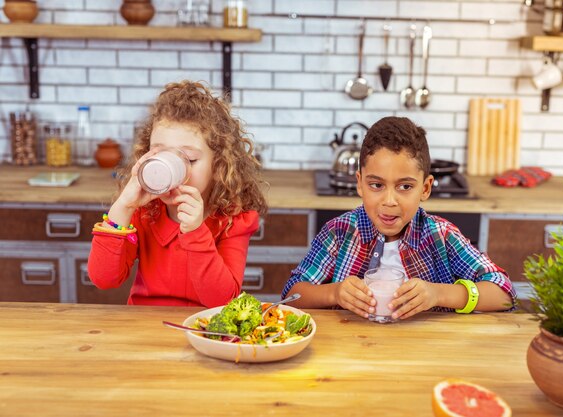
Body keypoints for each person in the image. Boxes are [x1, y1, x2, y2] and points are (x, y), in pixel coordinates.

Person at [282, 116, 515, 319]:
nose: (389, 200)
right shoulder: (338, 233)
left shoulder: (441, 236)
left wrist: (439, 294)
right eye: (376, 185)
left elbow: (504, 293)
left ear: (425, 188)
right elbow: (291, 296)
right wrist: (334, 293)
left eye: (405, 186)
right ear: (359, 184)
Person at [88, 80, 267, 307]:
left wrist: (195, 231)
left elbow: (222, 300)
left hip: (204, 330)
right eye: (160, 154)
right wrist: (123, 206)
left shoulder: (234, 219)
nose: (170, 169)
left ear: (219, 165)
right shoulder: (144, 211)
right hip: (145, 328)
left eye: (190, 159)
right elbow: (104, 279)